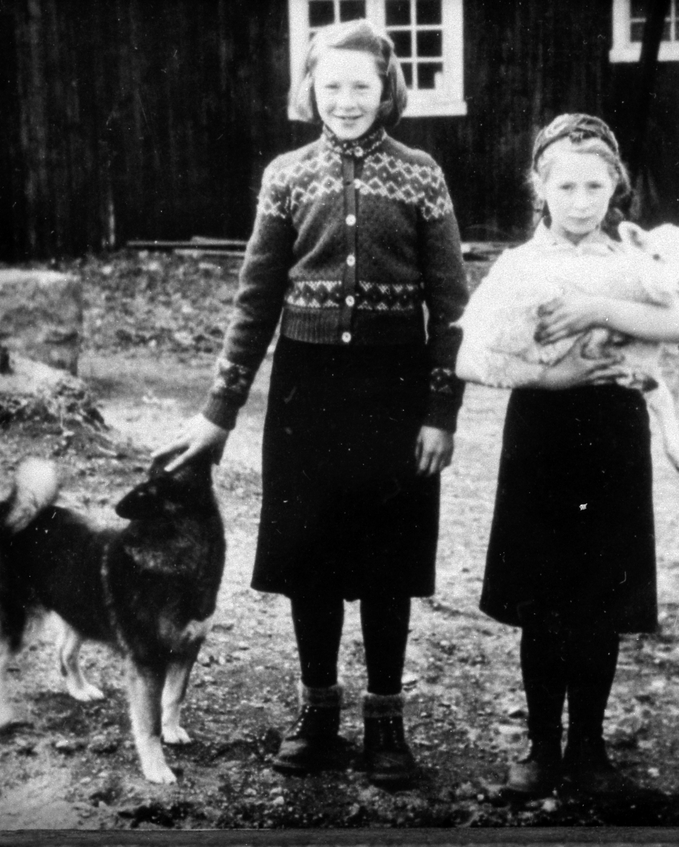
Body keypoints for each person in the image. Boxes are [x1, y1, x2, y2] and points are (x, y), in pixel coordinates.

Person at [154, 19, 468, 787]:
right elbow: (254, 301)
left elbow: (452, 304)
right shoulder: (286, 176)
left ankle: (386, 723)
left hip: (394, 393)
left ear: (387, 89)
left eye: (363, 85)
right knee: (313, 555)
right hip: (307, 390)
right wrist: (218, 413)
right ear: (311, 90)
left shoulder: (422, 175)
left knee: (390, 559)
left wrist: (439, 411)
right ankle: (319, 713)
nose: (348, 100)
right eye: (333, 85)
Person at [471, 113, 679, 798]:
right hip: (541, 431)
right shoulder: (519, 264)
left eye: (594, 185)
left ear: (615, 187)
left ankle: (591, 752)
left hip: (613, 436)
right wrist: (552, 376)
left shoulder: (629, 263)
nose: (579, 200)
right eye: (564, 185)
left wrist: (599, 303)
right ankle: (540, 748)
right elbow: (473, 354)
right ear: (539, 186)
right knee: (543, 598)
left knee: (599, 596)